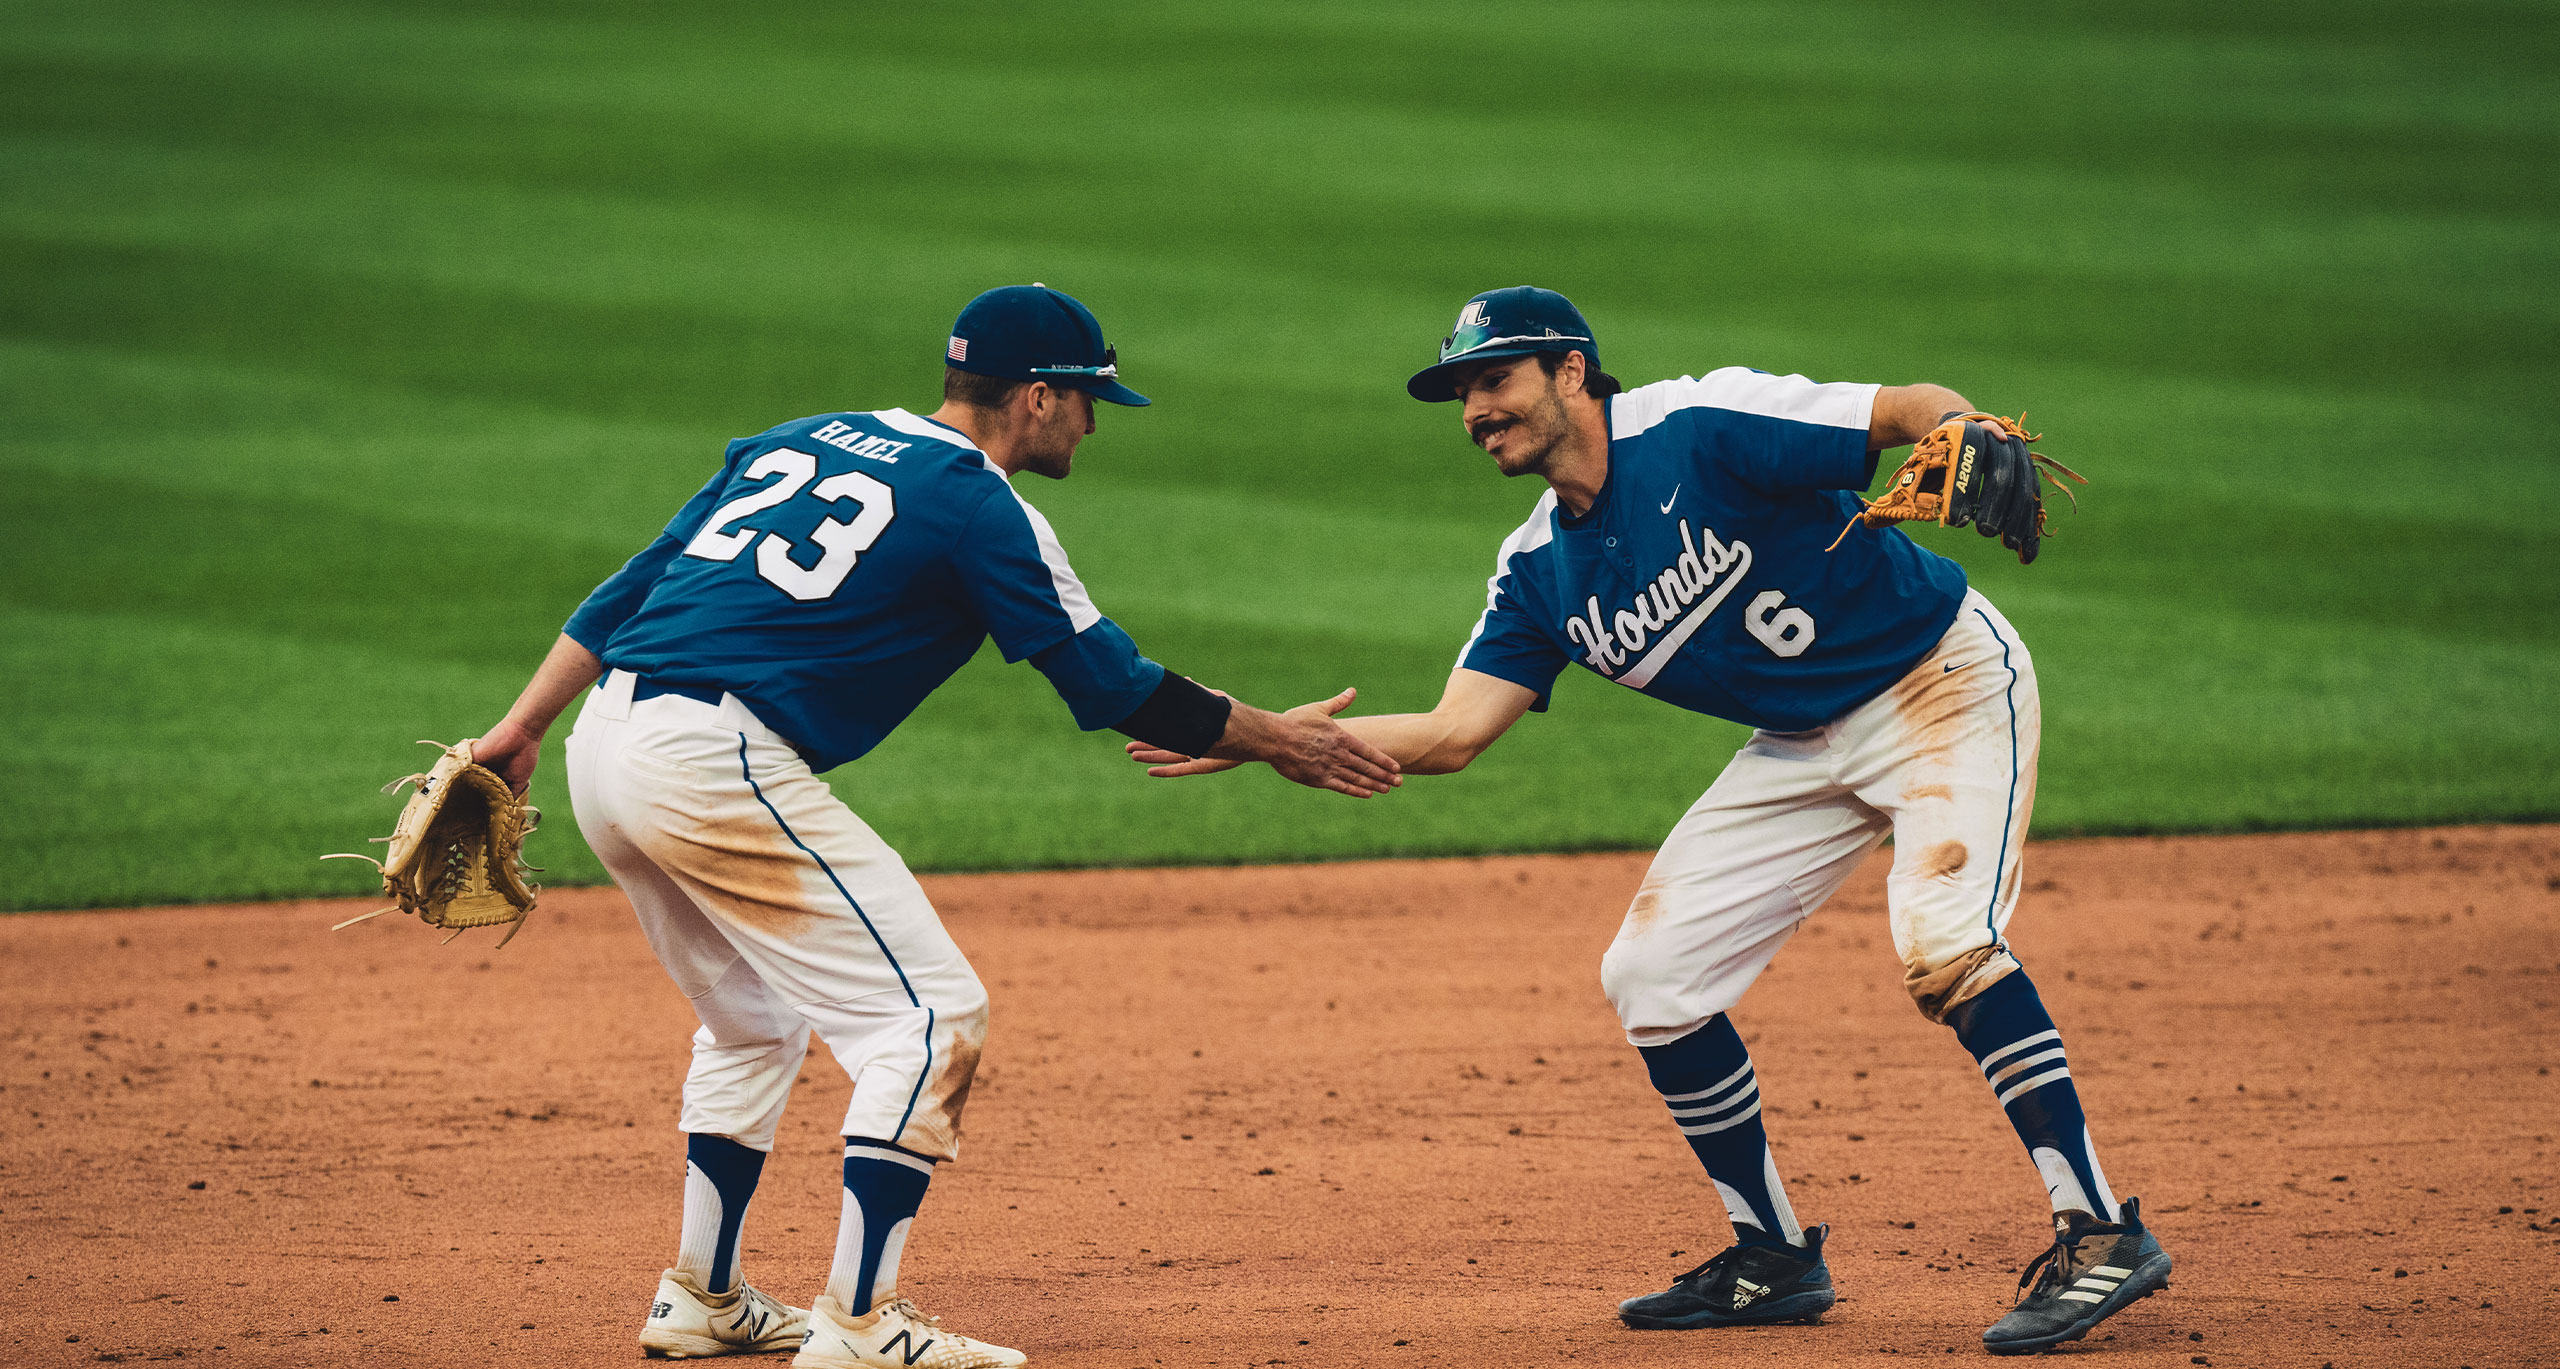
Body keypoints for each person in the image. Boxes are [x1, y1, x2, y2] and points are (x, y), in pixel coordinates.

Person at [1128, 287, 2169, 1356]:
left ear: (1571, 371)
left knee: (1944, 941)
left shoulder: (1698, 425)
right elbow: (1453, 731)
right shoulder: (1537, 569)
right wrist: (1258, 736)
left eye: (1494, 380)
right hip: (1799, 745)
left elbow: (1907, 408)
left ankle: (2099, 1230)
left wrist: (1969, 426)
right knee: (1653, 979)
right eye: (1459, 392)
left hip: (1935, 680)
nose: (1473, 408)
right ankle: (1771, 1254)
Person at [471, 284, 1401, 1368]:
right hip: (710, 760)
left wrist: (519, 726)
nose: (1095, 424)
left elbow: (628, 589)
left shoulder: (801, 436)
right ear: (1040, 399)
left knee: (753, 1019)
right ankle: (860, 1324)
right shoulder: (978, 501)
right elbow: (1108, 683)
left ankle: (704, 1297)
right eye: (1091, 400)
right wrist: (1278, 739)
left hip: (604, 743)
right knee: (929, 1019)